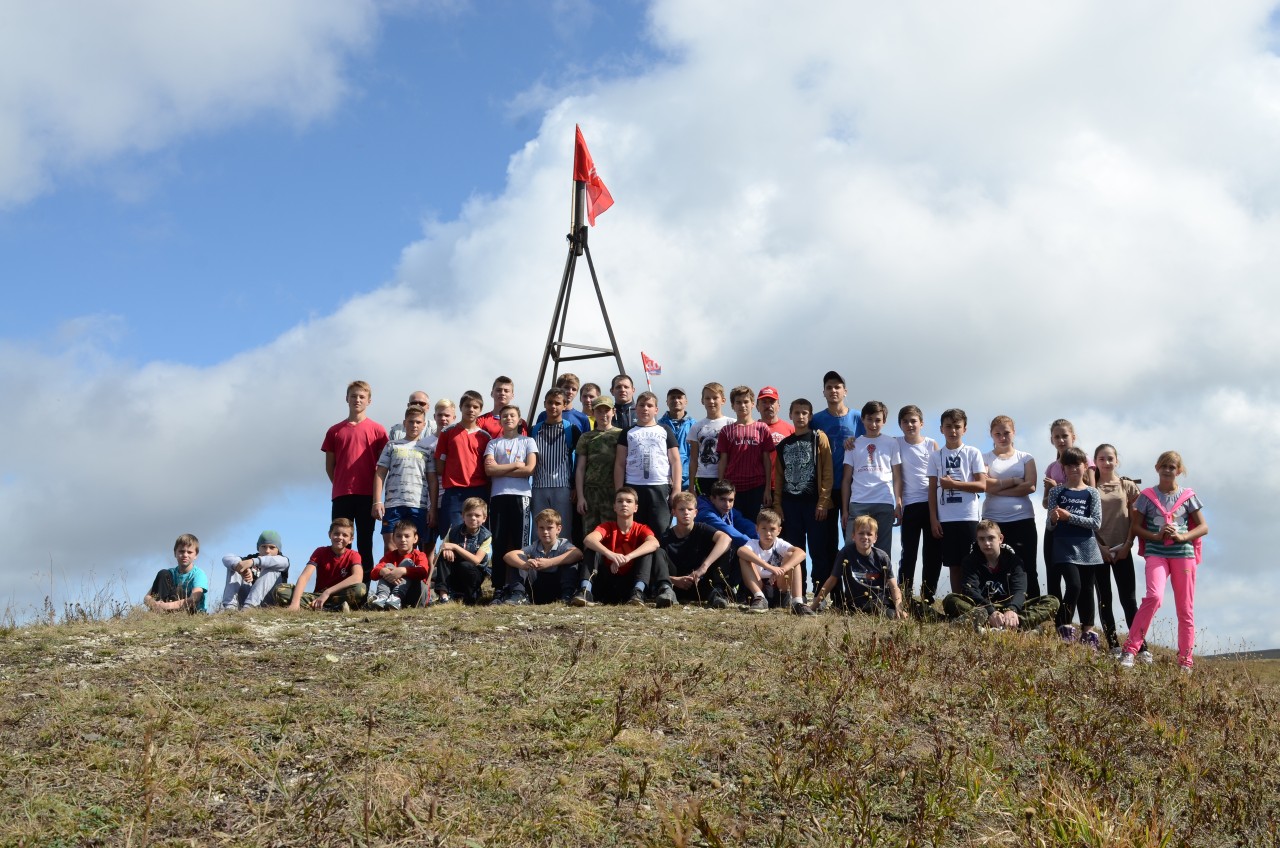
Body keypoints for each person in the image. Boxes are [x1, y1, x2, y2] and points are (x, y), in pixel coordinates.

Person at [1119, 451, 1208, 672]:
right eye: (1164, 466)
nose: (1168, 470)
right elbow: (1136, 527)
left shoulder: (1188, 496)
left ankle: (1185, 661)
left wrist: (1182, 537)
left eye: (1172, 467)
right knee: (1154, 597)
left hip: (1183, 554)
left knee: (1185, 609)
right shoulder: (1147, 497)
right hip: (1156, 553)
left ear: (1179, 471)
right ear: (1157, 467)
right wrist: (1157, 536)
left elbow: (1203, 527)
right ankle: (1130, 650)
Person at [322, 380, 388, 581]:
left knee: (365, 542)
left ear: (369, 400)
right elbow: (329, 466)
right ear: (346, 399)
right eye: (353, 396)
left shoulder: (378, 430)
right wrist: (341, 483)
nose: (357, 400)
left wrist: (377, 497)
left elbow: (383, 466)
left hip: (367, 495)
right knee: (341, 543)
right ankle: (339, 587)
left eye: (361, 396)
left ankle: (362, 587)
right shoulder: (335, 430)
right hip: (342, 495)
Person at [942, 520, 1060, 631]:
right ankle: (1013, 628)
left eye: (991, 538)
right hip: (982, 607)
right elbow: (970, 589)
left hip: (1010, 606)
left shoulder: (1014, 561)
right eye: (982, 539)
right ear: (977, 541)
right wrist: (990, 610)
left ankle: (1010, 624)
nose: (986, 543)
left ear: (1000, 539)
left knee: (1052, 601)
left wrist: (1012, 609)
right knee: (951, 599)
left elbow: (1020, 590)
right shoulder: (970, 561)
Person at [772, 398, 834, 595]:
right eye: (797, 413)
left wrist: (824, 501)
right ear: (790, 415)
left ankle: (819, 594)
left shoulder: (818, 438)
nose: (800, 416)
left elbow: (827, 472)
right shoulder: (783, 445)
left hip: (814, 503)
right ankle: (797, 593)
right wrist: (778, 505)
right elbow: (779, 478)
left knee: (818, 550)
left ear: (810, 416)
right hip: (790, 505)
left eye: (804, 413)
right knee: (794, 551)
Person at [926, 408, 987, 602]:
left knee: (973, 562)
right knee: (954, 565)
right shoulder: (936, 456)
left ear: (965, 429)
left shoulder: (973, 452)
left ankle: (977, 603)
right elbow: (931, 490)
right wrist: (934, 519)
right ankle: (959, 605)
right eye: (949, 427)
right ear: (941, 429)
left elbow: (982, 485)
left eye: (957, 427)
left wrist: (954, 485)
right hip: (946, 518)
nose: (953, 431)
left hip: (968, 516)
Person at [575, 487, 672, 607]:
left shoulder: (641, 528)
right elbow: (588, 539)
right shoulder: (607, 527)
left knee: (649, 551)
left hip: (630, 583)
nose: (624, 504)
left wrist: (628, 557)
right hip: (607, 582)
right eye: (620, 501)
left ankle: (638, 592)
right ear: (614, 507)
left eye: (629, 501)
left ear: (636, 508)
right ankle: (585, 591)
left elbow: (654, 543)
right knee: (592, 549)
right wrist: (611, 555)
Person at [1046, 447, 1103, 646]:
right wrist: (1053, 519)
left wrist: (1070, 517)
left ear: (1085, 466)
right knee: (1074, 585)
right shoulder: (1056, 491)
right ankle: (1064, 625)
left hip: (1088, 546)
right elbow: (1049, 525)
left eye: (1077, 465)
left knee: (1087, 589)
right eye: (1068, 465)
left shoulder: (1092, 493)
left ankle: (1088, 631)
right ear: (1063, 468)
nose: (1073, 469)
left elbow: (1096, 523)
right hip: (1063, 547)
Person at [811, 370, 865, 572]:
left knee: (854, 539)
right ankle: (830, 592)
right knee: (826, 542)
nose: (833, 390)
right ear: (823, 392)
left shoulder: (859, 417)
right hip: (825, 489)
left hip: (854, 488)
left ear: (845, 391)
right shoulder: (815, 420)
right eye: (829, 387)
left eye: (837, 387)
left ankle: (855, 590)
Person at [484, 405, 538, 599]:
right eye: (505, 416)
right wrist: (515, 464)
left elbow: (530, 469)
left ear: (519, 419)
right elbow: (490, 471)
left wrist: (501, 468)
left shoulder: (528, 441)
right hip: (498, 496)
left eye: (512, 415)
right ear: (500, 419)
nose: (508, 418)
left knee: (520, 543)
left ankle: (519, 587)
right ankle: (499, 587)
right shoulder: (493, 444)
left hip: (521, 496)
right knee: (498, 543)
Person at [981, 416, 1039, 596]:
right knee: (995, 566)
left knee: (1026, 565)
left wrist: (997, 487)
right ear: (991, 435)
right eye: (997, 433)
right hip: (993, 520)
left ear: (1013, 433)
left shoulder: (1025, 457)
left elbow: (1030, 486)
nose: (1002, 437)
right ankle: (999, 607)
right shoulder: (985, 458)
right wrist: (1014, 481)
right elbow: (984, 484)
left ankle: (1031, 609)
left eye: (1006, 433)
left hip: (1022, 519)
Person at [1093, 443, 1142, 654]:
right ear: (1095, 462)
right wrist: (1099, 547)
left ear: (1116, 461)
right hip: (1099, 550)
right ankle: (1112, 644)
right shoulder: (1090, 488)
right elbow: (1086, 521)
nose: (1106, 462)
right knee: (1105, 599)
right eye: (1102, 459)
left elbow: (1137, 519)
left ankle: (1140, 646)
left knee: (1129, 599)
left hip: (1123, 548)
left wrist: (1128, 544)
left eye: (1110, 458)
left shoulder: (1128, 486)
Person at [1041, 418, 1095, 607]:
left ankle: (1082, 623)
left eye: (1065, 436)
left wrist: (1059, 487)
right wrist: (1053, 491)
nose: (1061, 440)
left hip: (1079, 530)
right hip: (1055, 528)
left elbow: (1091, 492)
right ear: (1052, 440)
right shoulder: (1051, 467)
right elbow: (1045, 503)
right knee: (1053, 574)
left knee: (1081, 582)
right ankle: (1056, 619)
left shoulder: (1085, 461)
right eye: (1057, 437)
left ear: (1073, 437)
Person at [841, 400, 902, 561]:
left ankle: (881, 586)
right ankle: (852, 585)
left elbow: (897, 476)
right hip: (858, 502)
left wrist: (898, 502)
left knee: (882, 551)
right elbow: (846, 480)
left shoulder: (891, 443)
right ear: (863, 419)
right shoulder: (853, 444)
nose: (873, 424)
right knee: (851, 547)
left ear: (884, 421)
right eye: (869, 419)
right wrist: (845, 510)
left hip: (884, 501)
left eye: (878, 420)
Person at [373, 404, 438, 554]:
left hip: (418, 505)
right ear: (404, 423)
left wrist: (432, 508)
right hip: (393, 504)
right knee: (390, 545)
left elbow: (433, 480)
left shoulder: (427, 449)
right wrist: (377, 501)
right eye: (411, 421)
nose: (414, 425)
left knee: (411, 547)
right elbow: (380, 473)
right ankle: (389, 576)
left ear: (424, 425)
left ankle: (409, 576)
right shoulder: (392, 445)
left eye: (418, 422)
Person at [812, 515, 906, 618]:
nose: (865, 537)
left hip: (878, 604)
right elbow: (832, 580)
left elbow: (893, 586)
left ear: (875, 538)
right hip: (854, 606)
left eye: (869, 534)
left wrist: (899, 607)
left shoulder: (882, 557)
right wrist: (813, 606)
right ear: (853, 536)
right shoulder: (845, 553)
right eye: (861, 533)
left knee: (892, 616)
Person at [615, 391, 681, 534]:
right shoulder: (627, 432)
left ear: (656, 410)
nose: (645, 408)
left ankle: (659, 556)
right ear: (635, 408)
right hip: (633, 486)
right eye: (642, 405)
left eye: (649, 405)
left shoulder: (665, 430)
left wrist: (676, 488)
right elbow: (620, 463)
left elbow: (675, 461)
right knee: (635, 530)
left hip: (659, 487)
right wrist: (619, 490)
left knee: (661, 529)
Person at [656, 491, 735, 608]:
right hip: (676, 586)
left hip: (702, 583)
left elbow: (726, 539)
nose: (686, 513)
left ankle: (718, 592)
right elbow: (655, 569)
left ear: (696, 513)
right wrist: (673, 580)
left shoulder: (702, 528)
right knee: (658, 552)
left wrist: (703, 567)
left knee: (725, 547)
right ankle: (666, 591)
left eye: (689, 509)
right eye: (681, 509)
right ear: (674, 512)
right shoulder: (665, 537)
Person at [895, 404, 940, 599]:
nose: (910, 425)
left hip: (931, 504)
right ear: (900, 425)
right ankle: (904, 595)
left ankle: (928, 596)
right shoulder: (895, 443)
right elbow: (874, 437)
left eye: (913, 421)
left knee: (932, 553)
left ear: (921, 423)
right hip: (910, 505)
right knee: (909, 553)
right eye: (905, 421)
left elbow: (938, 476)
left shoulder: (931, 444)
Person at [277, 518, 367, 611]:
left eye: (345, 535)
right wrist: (295, 603)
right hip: (318, 596)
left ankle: (326, 607)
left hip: (339, 596)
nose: (340, 537)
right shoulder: (320, 552)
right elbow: (304, 577)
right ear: (330, 535)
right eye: (336, 533)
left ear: (351, 540)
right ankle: (331, 608)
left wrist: (327, 592)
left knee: (360, 588)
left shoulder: (354, 555)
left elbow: (357, 577)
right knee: (280, 590)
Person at [716, 385, 775, 522]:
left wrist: (767, 489)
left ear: (753, 404)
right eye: (738, 402)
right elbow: (723, 460)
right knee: (734, 526)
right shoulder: (726, 431)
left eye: (746, 401)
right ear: (732, 406)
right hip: (733, 488)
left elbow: (767, 460)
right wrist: (720, 488)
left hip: (757, 486)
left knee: (756, 526)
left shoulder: (762, 428)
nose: (742, 405)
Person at [499, 508, 583, 605]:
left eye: (549, 528)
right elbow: (508, 555)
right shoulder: (535, 546)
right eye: (541, 528)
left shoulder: (563, 544)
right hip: (538, 588)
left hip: (558, 586)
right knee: (517, 558)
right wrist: (524, 564)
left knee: (570, 560)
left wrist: (550, 562)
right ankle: (519, 595)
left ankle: (567, 596)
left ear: (558, 529)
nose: (545, 532)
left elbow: (578, 554)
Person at [435, 390, 491, 533]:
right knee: (453, 533)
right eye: (467, 406)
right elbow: (440, 465)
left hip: (479, 490)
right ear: (460, 408)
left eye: (475, 407)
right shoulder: (447, 432)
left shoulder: (485, 437)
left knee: (477, 533)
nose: (471, 410)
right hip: (454, 492)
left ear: (480, 410)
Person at [738, 508, 811, 615]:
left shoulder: (780, 543)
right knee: (744, 557)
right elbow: (741, 551)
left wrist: (780, 571)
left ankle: (798, 603)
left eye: (772, 529)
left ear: (779, 530)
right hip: (758, 586)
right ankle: (759, 597)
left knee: (792, 556)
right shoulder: (752, 543)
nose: (768, 533)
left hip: (780, 587)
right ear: (757, 529)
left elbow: (802, 553)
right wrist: (770, 568)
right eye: (764, 528)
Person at [531, 388, 585, 530]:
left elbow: (579, 460)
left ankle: (563, 553)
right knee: (539, 530)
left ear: (564, 405)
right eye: (550, 402)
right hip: (538, 487)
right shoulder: (534, 430)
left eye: (557, 403)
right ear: (544, 404)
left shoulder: (572, 430)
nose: (553, 406)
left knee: (563, 529)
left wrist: (574, 486)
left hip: (563, 487)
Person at [431, 498, 493, 605]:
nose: (473, 518)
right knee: (444, 555)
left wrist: (455, 547)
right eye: (469, 515)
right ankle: (443, 596)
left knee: (466, 566)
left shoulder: (486, 536)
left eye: (477, 515)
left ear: (484, 518)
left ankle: (470, 596)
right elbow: (436, 559)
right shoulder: (453, 531)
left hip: (474, 573)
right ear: (463, 516)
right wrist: (446, 549)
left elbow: (477, 560)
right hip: (455, 573)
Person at [575, 395, 623, 533]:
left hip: (612, 491)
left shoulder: (621, 435)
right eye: (599, 411)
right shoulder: (586, 437)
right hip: (590, 492)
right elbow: (580, 468)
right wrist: (580, 497)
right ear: (593, 413)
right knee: (590, 534)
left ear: (613, 412)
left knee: (612, 532)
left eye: (606, 410)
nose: (603, 415)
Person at [219, 530, 290, 611]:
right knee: (235, 566)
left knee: (272, 568)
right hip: (245, 600)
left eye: (272, 547)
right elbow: (226, 558)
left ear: (278, 550)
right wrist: (241, 569)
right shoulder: (249, 559)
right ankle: (230, 609)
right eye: (264, 546)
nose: (267, 550)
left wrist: (253, 562)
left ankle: (249, 608)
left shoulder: (283, 560)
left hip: (271, 603)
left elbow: (281, 562)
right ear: (258, 547)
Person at [369, 521, 431, 610]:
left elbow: (423, 572)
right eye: (398, 536)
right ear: (393, 539)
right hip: (395, 600)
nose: (402, 539)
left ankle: (396, 597)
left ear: (415, 538)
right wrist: (382, 571)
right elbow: (373, 574)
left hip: (416, 596)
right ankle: (382, 597)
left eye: (407, 536)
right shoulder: (390, 556)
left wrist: (403, 571)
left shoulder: (420, 555)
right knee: (386, 566)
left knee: (407, 562)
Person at [144, 533, 208, 613]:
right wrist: (155, 604)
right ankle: (160, 614)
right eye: (181, 551)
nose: (185, 555)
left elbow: (194, 600)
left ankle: (164, 612)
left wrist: (166, 606)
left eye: (189, 552)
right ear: (175, 553)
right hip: (168, 609)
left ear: (196, 555)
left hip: (192, 612)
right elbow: (147, 597)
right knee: (163, 573)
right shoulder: (170, 573)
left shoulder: (199, 574)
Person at [688, 382, 730, 497]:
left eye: (715, 398)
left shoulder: (731, 423)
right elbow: (693, 459)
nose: (711, 401)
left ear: (723, 400)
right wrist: (691, 485)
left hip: (726, 476)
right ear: (702, 401)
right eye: (707, 398)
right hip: (703, 477)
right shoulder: (696, 427)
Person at [659, 387, 694, 492]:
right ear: (667, 402)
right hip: (665, 480)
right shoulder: (658, 426)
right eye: (672, 397)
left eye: (679, 397)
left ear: (686, 401)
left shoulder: (695, 426)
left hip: (689, 482)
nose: (676, 400)